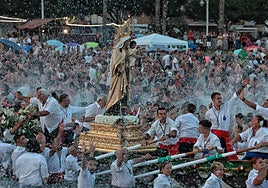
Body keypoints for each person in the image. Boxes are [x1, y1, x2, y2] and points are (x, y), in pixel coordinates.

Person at [205, 77, 250, 159]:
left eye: (221, 98)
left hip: (225, 137)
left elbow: (235, 96)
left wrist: (242, 86)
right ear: (213, 100)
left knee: (227, 158)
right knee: (213, 157)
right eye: (218, 99)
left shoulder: (227, 107)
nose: (220, 100)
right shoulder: (208, 113)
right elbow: (207, 128)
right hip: (214, 138)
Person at [106, 36, 131, 115]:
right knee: (117, 90)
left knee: (125, 91)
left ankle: (123, 106)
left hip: (125, 74)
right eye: (127, 41)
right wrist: (119, 68)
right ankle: (114, 106)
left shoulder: (126, 51)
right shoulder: (117, 50)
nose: (128, 43)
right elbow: (114, 63)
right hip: (118, 75)